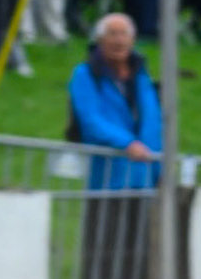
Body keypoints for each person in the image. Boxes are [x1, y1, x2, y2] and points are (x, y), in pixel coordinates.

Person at [68, 11, 162, 187]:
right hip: (108, 176)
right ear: (99, 40)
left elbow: (153, 122)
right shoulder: (85, 74)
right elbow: (91, 120)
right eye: (112, 34)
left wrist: (158, 165)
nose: (119, 41)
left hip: (145, 176)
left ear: (132, 40)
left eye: (124, 34)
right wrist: (127, 144)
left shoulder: (142, 76)